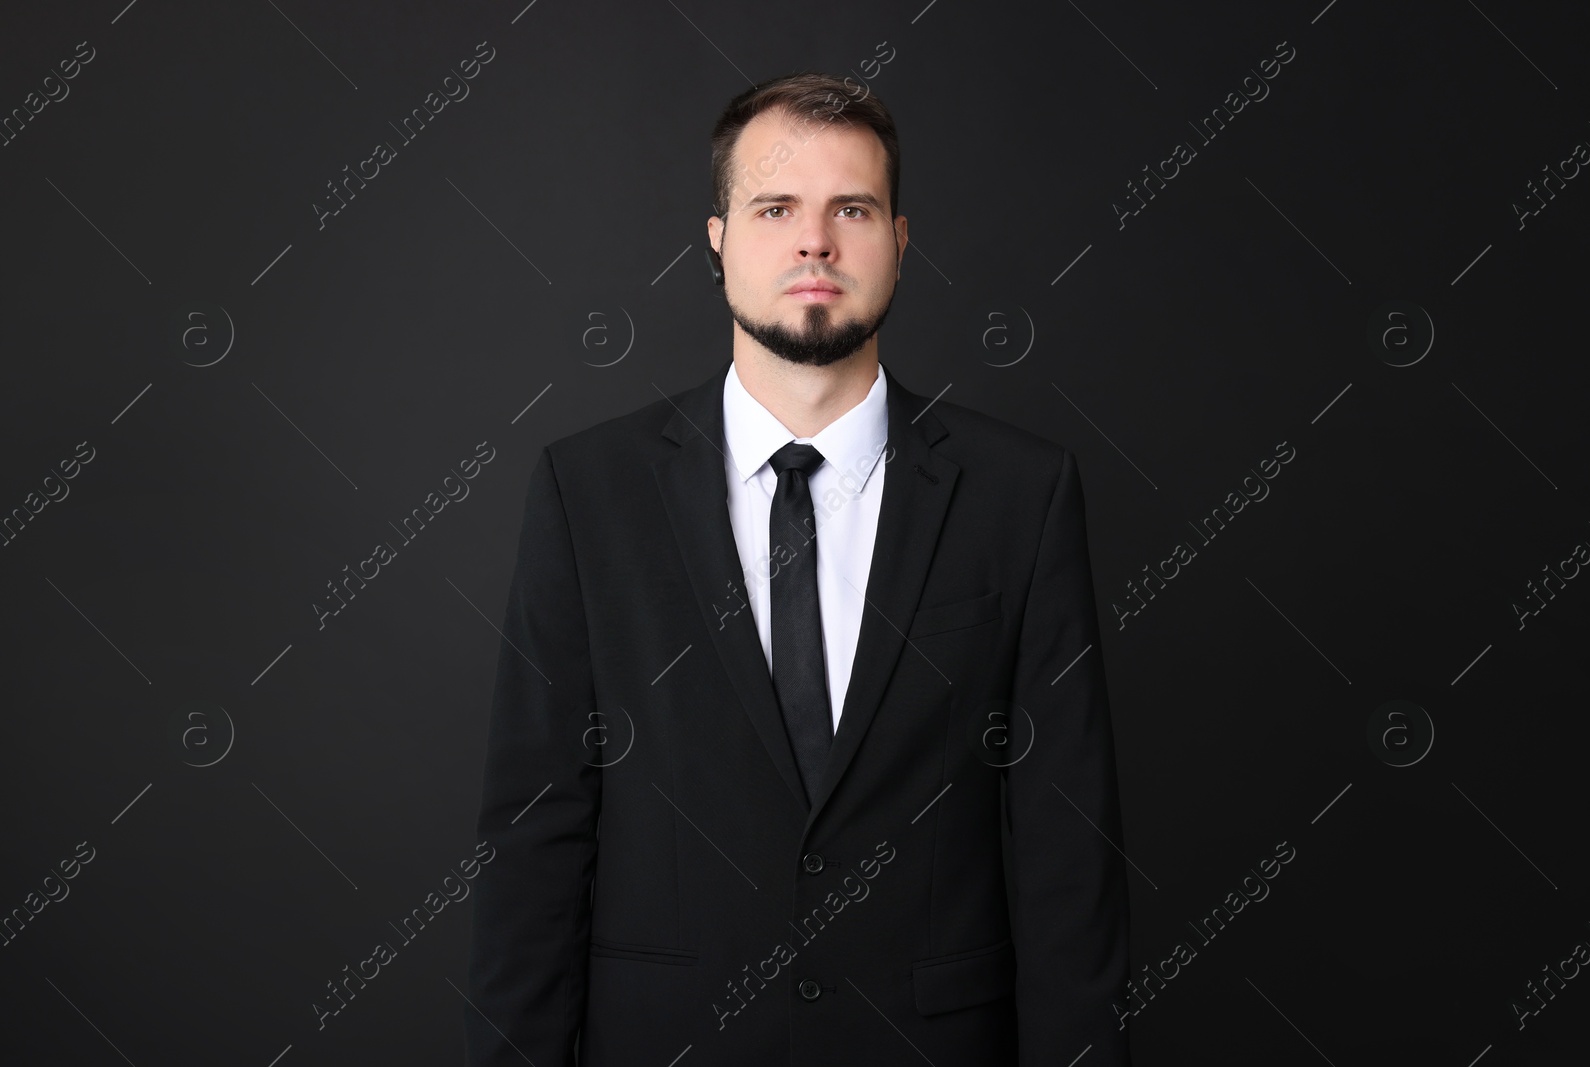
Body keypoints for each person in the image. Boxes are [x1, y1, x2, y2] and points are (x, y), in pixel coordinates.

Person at [463, 71, 1132, 1066]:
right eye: (775, 208)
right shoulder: (586, 491)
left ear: (898, 244)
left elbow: (1066, 852)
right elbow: (533, 843)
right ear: (719, 239)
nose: (814, 241)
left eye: (849, 209)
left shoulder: (1020, 493)